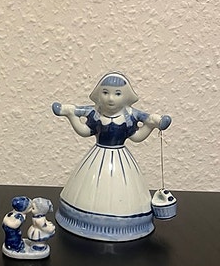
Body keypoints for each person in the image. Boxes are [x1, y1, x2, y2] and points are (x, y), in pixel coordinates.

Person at [52, 72, 171, 241]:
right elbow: (85, 131)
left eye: (117, 93)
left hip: (121, 160)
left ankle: (125, 225)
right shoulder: (96, 113)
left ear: (127, 96)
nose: (110, 98)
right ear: (98, 94)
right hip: (97, 157)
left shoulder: (129, 115)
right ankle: (82, 220)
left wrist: (151, 125)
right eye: (105, 92)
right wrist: (71, 115)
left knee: (122, 190)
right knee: (89, 189)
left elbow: (137, 137)